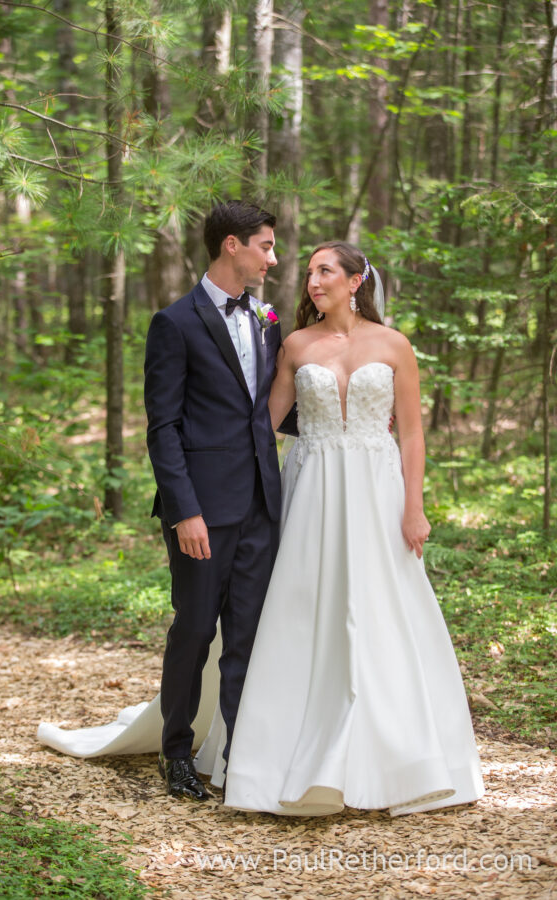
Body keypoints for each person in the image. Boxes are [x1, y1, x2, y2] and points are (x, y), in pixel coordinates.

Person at [214, 241, 485, 815]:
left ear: (356, 280)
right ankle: (279, 753)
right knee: (303, 605)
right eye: (309, 272)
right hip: (311, 488)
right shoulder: (295, 345)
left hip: (376, 490)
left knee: (384, 606)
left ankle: (398, 756)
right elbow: (263, 428)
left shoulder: (393, 345)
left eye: (326, 271)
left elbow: (411, 433)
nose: (313, 281)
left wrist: (414, 507)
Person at [143, 199, 284, 802]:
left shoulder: (267, 318)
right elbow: (163, 427)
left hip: (262, 505)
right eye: (265, 246)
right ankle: (175, 753)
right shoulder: (174, 323)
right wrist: (185, 511)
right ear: (232, 245)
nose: (272, 259)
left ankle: (237, 758)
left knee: (248, 635)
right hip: (202, 510)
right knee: (196, 630)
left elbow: (272, 411)